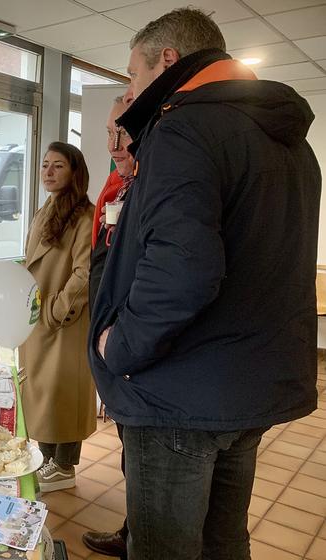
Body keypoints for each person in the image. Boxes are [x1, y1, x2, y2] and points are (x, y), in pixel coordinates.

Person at [89, 8, 320, 559]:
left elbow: (184, 270)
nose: (131, 87)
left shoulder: (183, 128)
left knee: (165, 548)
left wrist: (119, 346)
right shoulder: (291, 143)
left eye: (132, 74)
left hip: (179, 396)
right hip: (249, 384)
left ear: (168, 60)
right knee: (223, 542)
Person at [19, 141, 95, 492]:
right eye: (45, 164)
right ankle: (48, 459)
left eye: (58, 166)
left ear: (74, 171)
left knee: (63, 393)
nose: (48, 172)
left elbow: (85, 273)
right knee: (41, 393)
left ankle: (64, 466)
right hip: (38, 316)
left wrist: (55, 310)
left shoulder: (85, 216)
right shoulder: (44, 209)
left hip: (64, 321)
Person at [82, 96, 135, 560]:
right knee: (130, 455)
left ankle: (137, 534)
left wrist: (116, 343)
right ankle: (132, 529)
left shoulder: (153, 187)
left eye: (124, 132)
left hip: (133, 354)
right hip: (113, 347)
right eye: (108, 133)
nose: (114, 145)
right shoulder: (115, 186)